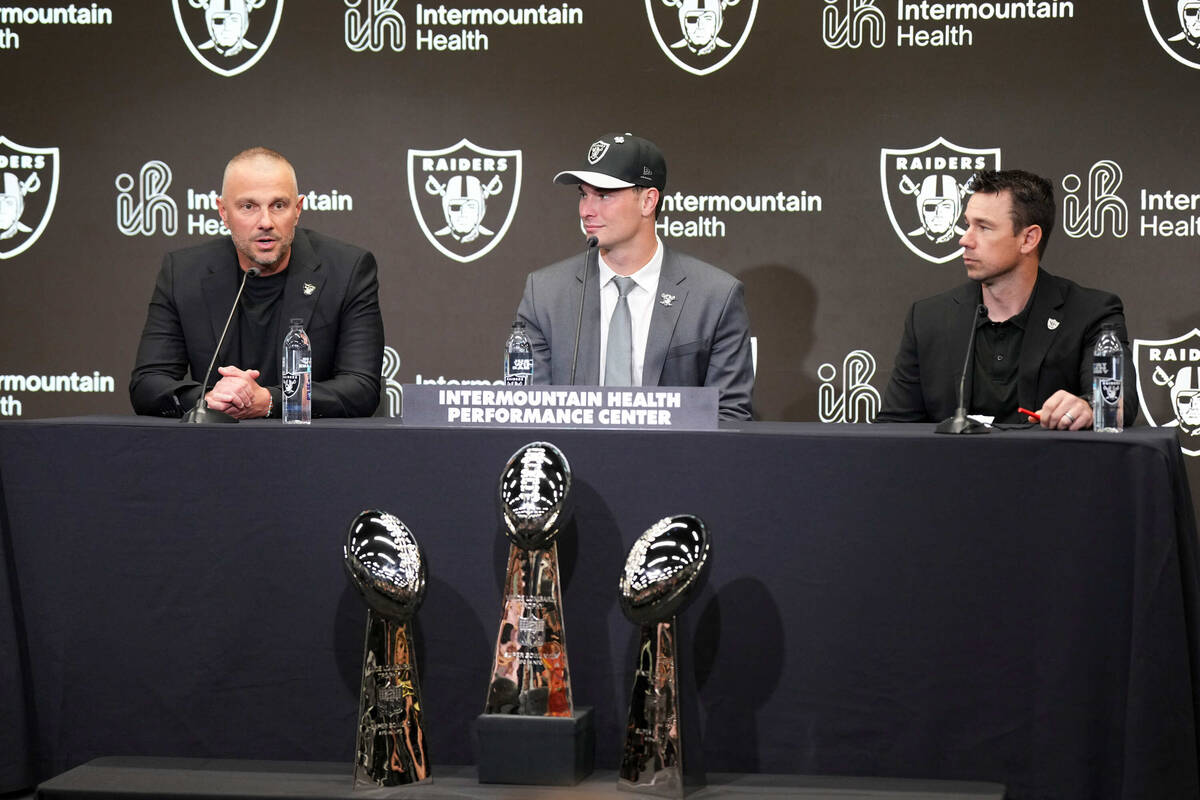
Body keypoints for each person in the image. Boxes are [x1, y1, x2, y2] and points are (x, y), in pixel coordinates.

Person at [130, 147, 384, 419]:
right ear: (223, 212)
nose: (265, 222)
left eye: (278, 205)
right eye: (248, 206)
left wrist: (270, 400)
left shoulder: (347, 270)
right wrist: (210, 398)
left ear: (297, 210)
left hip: (313, 449)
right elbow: (148, 382)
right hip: (214, 450)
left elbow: (361, 387)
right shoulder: (183, 273)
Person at [515, 132, 754, 420]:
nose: (586, 211)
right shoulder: (545, 294)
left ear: (648, 201)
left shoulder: (715, 296)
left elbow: (728, 415)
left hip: (674, 462)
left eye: (604, 195)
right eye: (583, 194)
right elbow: (526, 411)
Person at [877, 168, 1138, 429]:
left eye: (983, 227)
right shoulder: (928, 318)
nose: (964, 239)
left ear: (1028, 239)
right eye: (968, 224)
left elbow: (1117, 404)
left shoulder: (1092, 313)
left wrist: (1087, 406)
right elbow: (894, 428)